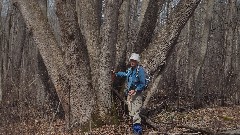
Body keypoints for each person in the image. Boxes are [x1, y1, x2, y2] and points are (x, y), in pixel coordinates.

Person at [114, 53, 146, 135]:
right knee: (131, 111)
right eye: (131, 60)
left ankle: (137, 131)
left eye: (134, 60)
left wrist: (135, 90)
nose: (132, 62)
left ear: (137, 61)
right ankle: (134, 128)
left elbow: (143, 83)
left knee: (136, 112)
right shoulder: (130, 70)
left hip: (137, 94)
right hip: (130, 94)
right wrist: (116, 74)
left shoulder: (140, 70)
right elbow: (125, 74)